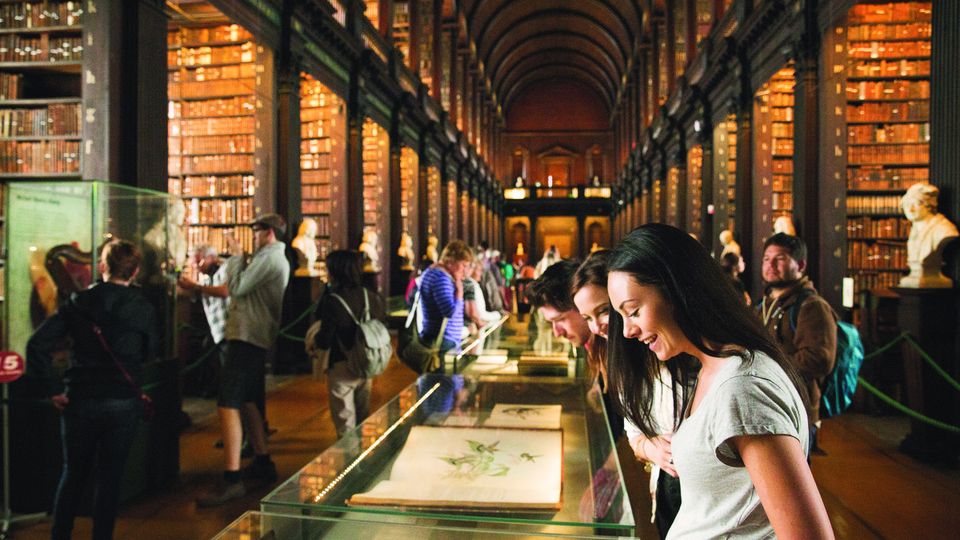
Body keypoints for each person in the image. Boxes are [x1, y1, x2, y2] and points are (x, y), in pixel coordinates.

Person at [607, 224, 832, 539]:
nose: (628, 331)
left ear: (676, 290)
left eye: (633, 311)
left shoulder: (743, 388)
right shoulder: (715, 368)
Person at [27, 239, 159, 540]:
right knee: (110, 479)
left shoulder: (77, 303)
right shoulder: (143, 308)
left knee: (72, 474)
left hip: (80, 401)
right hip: (123, 403)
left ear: (102, 267)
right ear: (135, 271)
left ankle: (60, 535)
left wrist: (51, 388)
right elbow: (151, 351)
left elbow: (37, 345)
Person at [575, 250, 682, 538]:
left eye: (603, 311)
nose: (596, 326)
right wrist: (653, 449)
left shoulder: (671, 351)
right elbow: (633, 430)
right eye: (587, 317)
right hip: (666, 493)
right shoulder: (621, 359)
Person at [197, 213, 290, 507]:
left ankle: (232, 478)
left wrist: (236, 257)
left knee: (227, 403)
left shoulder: (271, 258)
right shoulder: (268, 257)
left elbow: (237, 288)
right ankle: (263, 461)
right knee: (249, 400)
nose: (252, 236)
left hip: (248, 337)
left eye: (256, 230)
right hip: (250, 335)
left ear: (269, 233)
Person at [758, 233, 837, 456]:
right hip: (766, 404)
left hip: (796, 408)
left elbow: (818, 360)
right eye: (766, 258)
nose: (770, 265)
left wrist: (763, 364)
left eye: (780, 258)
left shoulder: (811, 306)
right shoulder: (765, 304)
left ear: (800, 264)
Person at [313, 250, 386, 437]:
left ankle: (349, 461)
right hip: (366, 362)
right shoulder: (370, 295)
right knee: (363, 417)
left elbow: (325, 339)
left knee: (345, 422)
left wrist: (314, 341)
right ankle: (364, 459)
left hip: (341, 364)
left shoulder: (333, 300)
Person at [418, 239, 473, 357]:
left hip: (441, 338)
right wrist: (459, 292)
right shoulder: (441, 278)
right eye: (463, 265)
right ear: (451, 261)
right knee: (442, 375)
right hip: (443, 341)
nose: (464, 270)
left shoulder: (433, 272)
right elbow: (449, 312)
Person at [898, 182, 959, 288]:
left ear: (929, 206)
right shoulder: (914, 229)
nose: (910, 209)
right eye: (907, 205)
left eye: (915, 204)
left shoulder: (944, 229)